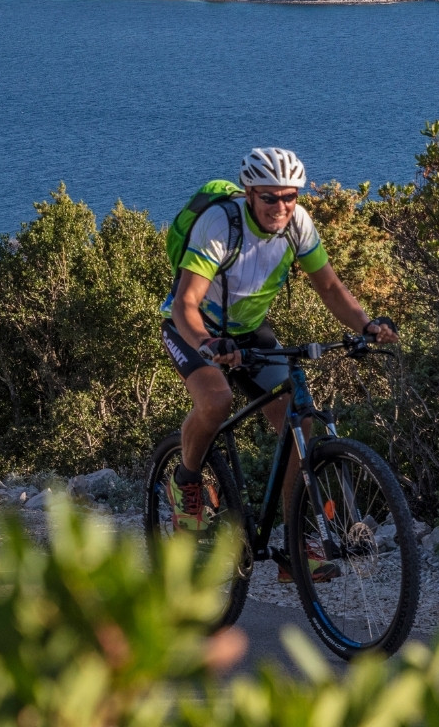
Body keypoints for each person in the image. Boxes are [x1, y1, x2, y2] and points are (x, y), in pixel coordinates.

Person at [160, 147, 398, 579]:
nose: (281, 206)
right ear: (249, 193)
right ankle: (186, 482)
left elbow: (330, 288)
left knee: (299, 421)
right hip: (194, 328)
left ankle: (295, 545)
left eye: (290, 196)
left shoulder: (297, 224)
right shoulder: (221, 225)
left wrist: (365, 325)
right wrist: (208, 343)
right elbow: (184, 304)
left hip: (250, 331)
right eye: (270, 197)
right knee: (216, 401)